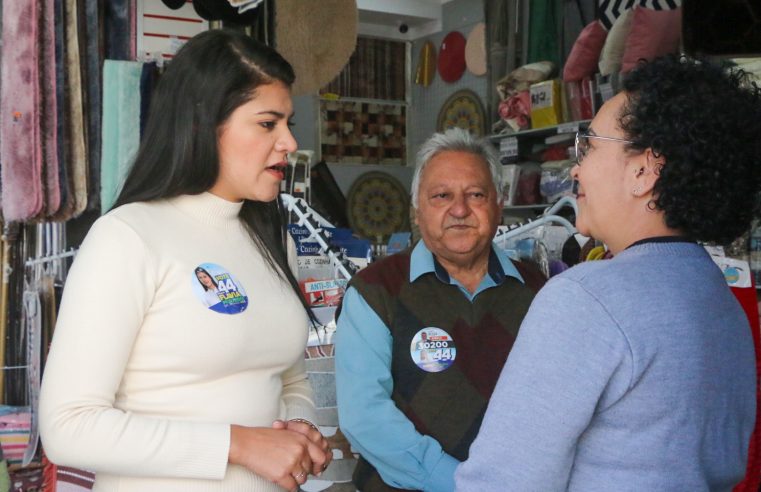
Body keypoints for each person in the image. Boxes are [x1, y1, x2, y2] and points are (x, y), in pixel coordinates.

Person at [39, 29, 332, 492]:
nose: (289, 143)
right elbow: (68, 428)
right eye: (267, 124)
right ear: (205, 123)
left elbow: (288, 375)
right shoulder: (128, 238)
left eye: (288, 123)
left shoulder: (274, 239)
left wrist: (297, 425)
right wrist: (237, 445)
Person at [456, 54, 761, 491]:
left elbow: (502, 482)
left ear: (643, 171)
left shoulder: (585, 298)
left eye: (590, 145)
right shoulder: (722, 302)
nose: (575, 168)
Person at [335, 128, 545, 491]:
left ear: (498, 204)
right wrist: (460, 484)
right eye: (441, 196)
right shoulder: (375, 290)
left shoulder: (539, 291)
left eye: (475, 194)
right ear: (417, 210)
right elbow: (364, 415)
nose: (459, 210)